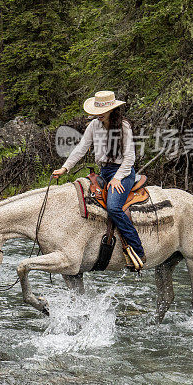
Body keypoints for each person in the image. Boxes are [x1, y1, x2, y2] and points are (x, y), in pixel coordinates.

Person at [52, 90, 145, 265]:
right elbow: (81, 148)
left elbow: (130, 157)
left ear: (112, 110)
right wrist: (65, 167)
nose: (98, 115)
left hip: (123, 172)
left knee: (114, 207)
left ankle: (138, 249)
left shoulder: (124, 127)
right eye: (96, 111)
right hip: (104, 171)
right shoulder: (94, 125)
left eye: (102, 111)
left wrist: (117, 178)